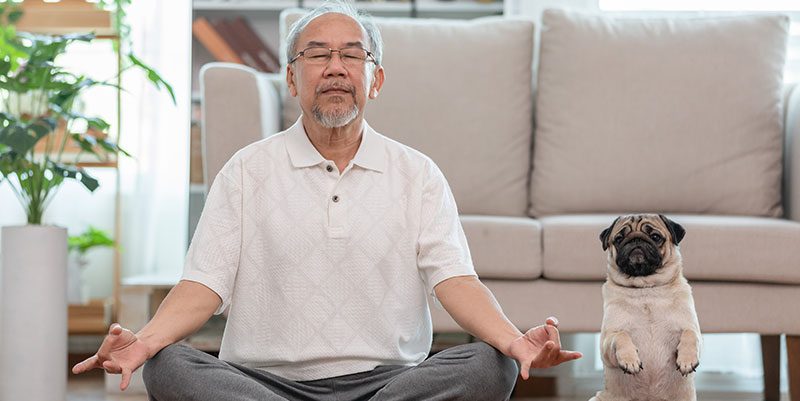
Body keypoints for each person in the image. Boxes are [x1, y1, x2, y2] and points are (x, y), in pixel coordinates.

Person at [72, 2, 582, 400]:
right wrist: (143, 342)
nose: (335, 67)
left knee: (489, 365)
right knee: (169, 366)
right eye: (317, 54)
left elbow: (456, 281)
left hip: (389, 386)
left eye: (351, 55)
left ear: (374, 80)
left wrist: (516, 343)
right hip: (264, 385)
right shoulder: (246, 171)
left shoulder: (418, 174)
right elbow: (202, 285)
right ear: (292, 78)